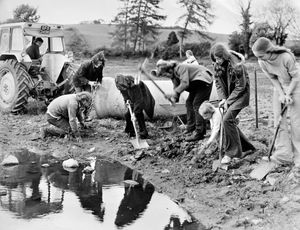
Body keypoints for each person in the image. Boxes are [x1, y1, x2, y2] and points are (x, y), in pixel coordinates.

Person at [252, 37, 300, 167]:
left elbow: (296, 77)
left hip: (296, 85)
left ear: (269, 51)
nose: (259, 59)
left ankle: (298, 158)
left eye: (261, 56)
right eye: (257, 56)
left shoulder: (286, 57)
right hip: (280, 85)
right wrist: (282, 93)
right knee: (277, 119)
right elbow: (273, 78)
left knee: (296, 123)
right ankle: (283, 155)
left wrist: (288, 94)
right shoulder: (262, 62)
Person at [210, 43, 255, 164]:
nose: (217, 61)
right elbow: (218, 84)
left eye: (219, 58)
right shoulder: (216, 65)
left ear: (224, 55)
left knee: (226, 120)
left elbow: (241, 87)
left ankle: (233, 153)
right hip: (228, 96)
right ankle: (246, 147)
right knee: (229, 121)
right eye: (215, 59)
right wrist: (223, 99)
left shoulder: (237, 65)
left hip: (241, 95)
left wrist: (228, 101)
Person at [156, 60, 213, 141]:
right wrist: (173, 99)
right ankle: (191, 128)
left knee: (197, 104)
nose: (167, 76)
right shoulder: (173, 76)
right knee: (189, 103)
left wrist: (173, 93)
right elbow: (176, 89)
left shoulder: (181, 68)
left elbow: (185, 83)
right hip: (196, 85)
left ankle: (200, 132)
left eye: (166, 74)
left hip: (204, 80)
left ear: (170, 70)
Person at [115, 74, 155, 139]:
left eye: (123, 87)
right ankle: (130, 131)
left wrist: (134, 113)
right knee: (128, 115)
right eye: (121, 88)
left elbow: (139, 101)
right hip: (132, 97)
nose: (122, 89)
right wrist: (126, 100)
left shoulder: (135, 85)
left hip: (143, 97)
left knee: (138, 114)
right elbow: (124, 93)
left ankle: (144, 133)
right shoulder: (120, 84)